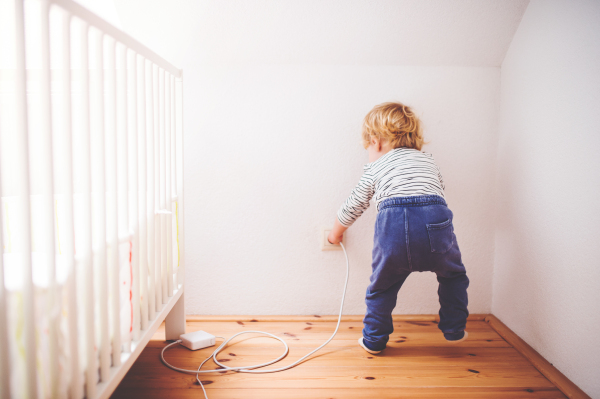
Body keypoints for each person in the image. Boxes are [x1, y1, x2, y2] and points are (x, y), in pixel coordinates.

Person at [327, 102, 469, 354]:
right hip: (435, 220)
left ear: (376, 142)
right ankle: (454, 328)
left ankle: (374, 340)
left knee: (382, 286)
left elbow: (355, 203)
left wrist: (335, 233)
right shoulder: (428, 161)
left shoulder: (375, 167)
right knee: (453, 276)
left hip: (393, 223)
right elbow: (440, 189)